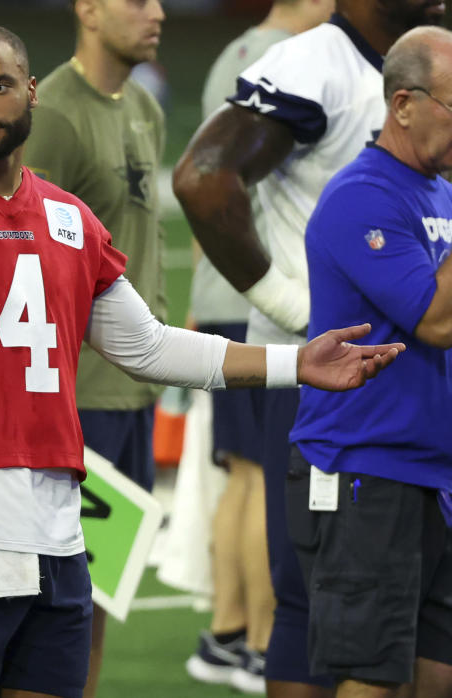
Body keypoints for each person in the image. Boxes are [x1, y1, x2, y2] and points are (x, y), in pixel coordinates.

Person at [0, 24, 402, 698]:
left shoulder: (69, 219)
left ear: (31, 91)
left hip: (60, 529)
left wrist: (294, 364)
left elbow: (147, 346)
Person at [173, 1, 444, 695]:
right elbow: (204, 179)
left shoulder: (427, 95)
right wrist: (293, 308)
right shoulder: (311, 62)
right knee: (312, 606)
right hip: (325, 381)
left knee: (405, 631)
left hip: (415, 403)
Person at [289, 25, 452, 697]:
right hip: (366, 466)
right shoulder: (363, 197)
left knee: (437, 674)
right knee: (373, 677)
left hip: (432, 472)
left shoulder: (440, 193)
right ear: (404, 103)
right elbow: (437, 322)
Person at [184, 1, 333, 693]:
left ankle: (230, 629)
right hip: (250, 301)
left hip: (230, 296)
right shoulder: (272, 63)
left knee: (241, 471)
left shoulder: (250, 55)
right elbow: (214, 178)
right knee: (257, 477)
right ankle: (259, 637)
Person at [21, 2, 166, 691]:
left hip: (134, 390)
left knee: (99, 596)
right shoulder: (51, 112)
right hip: (76, 398)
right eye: (137, 0)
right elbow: (20, 251)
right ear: (88, 9)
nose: (159, 12)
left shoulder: (144, 105)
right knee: (55, 601)